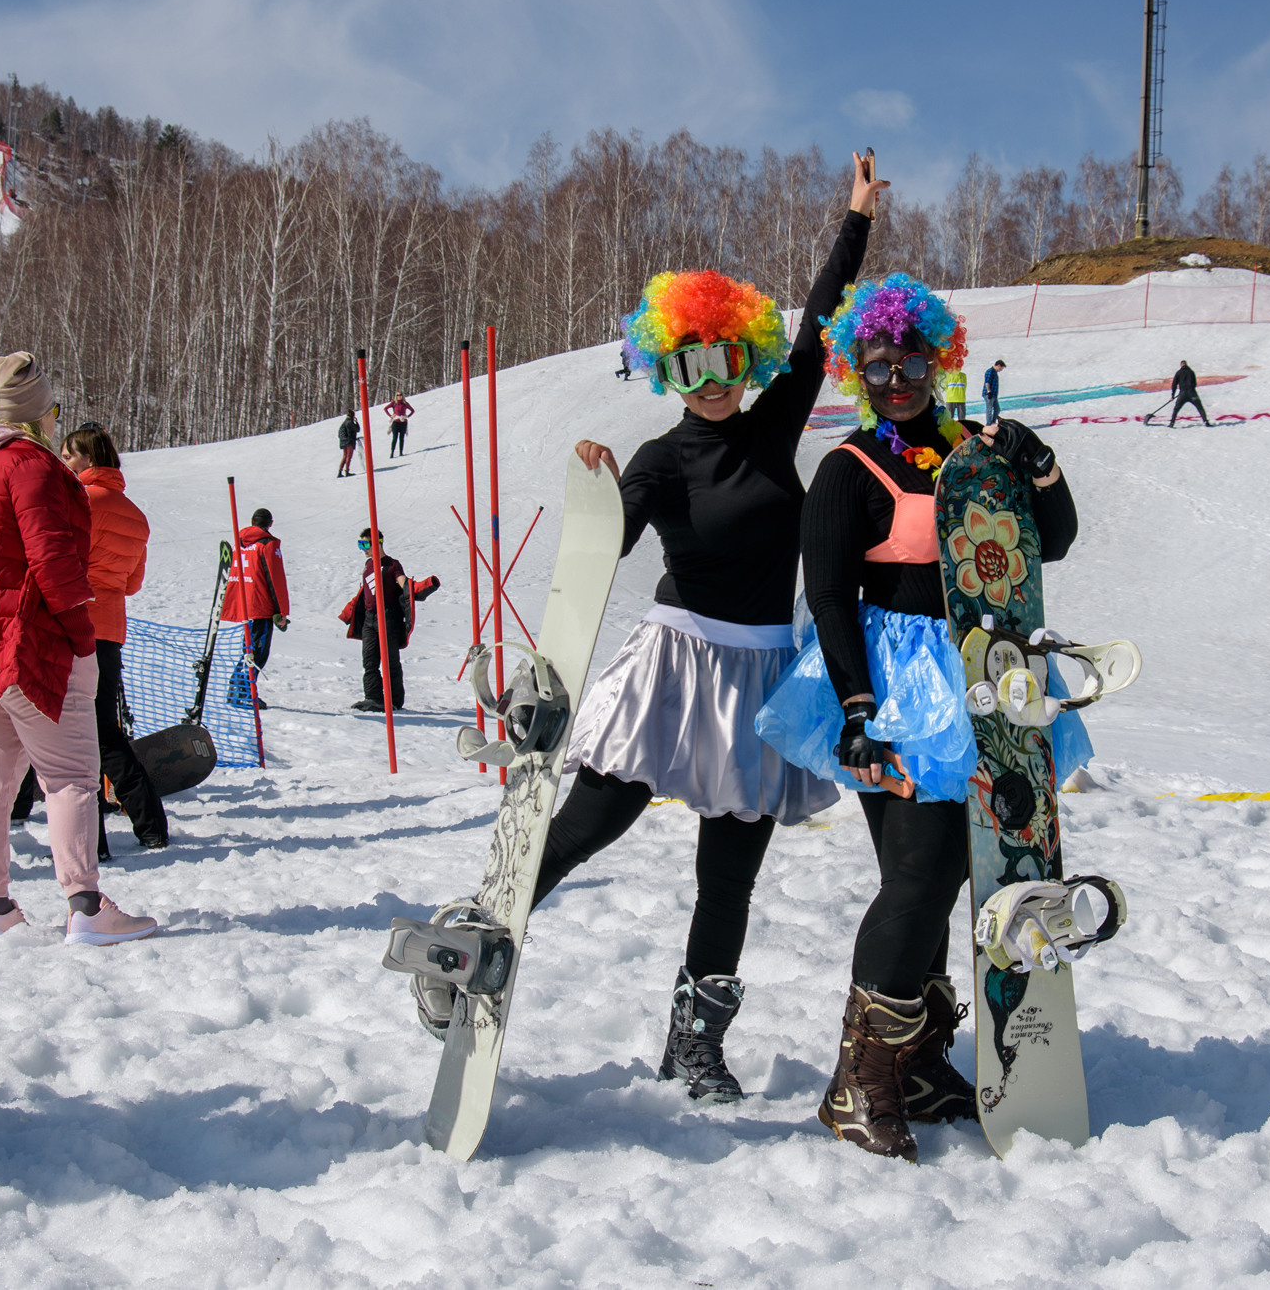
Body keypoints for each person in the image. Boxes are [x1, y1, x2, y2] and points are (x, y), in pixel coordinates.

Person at [495, 152, 883, 1106]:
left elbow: (820, 323)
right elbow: (612, 540)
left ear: (747, 361)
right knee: (591, 823)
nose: (714, 380)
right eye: (691, 364)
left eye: (728, 361)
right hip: (675, 665)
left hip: (758, 678)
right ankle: (478, 937)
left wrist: (855, 223)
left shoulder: (773, 423)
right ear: (668, 367)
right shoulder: (662, 458)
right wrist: (596, 488)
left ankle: (695, 1044)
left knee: (730, 877)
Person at [756, 275, 1086, 1160]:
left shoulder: (975, 454)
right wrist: (857, 710)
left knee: (956, 873)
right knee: (918, 872)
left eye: (910, 360)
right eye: (876, 365)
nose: (895, 377)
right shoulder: (847, 468)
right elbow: (826, 595)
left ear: (938, 357)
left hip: (982, 678)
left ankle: (922, 1062)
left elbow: (1049, 539)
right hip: (894, 693)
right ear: (855, 371)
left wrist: (1037, 463)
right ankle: (859, 1082)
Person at [0, 353, 157, 945]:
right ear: (38, 415)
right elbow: (54, 564)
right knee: (72, 777)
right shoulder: (35, 469)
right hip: (32, 645)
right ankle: (85, 905)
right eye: (51, 410)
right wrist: (80, 637)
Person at [60, 425, 169, 856]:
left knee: (70, 732)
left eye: (69, 455)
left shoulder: (78, 500)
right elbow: (133, 582)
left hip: (71, 624)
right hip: (109, 629)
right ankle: (150, 824)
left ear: (86, 459)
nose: (64, 462)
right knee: (105, 729)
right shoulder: (135, 513)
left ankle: (89, 839)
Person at [341, 529, 438, 712]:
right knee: (369, 661)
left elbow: (405, 585)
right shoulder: (368, 565)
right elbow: (365, 593)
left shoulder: (393, 565)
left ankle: (394, 700)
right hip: (370, 619)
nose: (363, 549)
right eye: (360, 544)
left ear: (378, 543)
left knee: (390, 660)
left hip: (388, 618)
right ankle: (373, 698)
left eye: (365, 544)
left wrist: (425, 586)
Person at [222, 506, 291, 707]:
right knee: (257, 652)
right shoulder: (267, 544)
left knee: (249, 649)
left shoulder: (238, 543)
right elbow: (274, 578)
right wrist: (281, 611)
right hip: (261, 605)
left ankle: (238, 690)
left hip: (242, 603)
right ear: (270, 524)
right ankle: (241, 692)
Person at [1168, 360, 1211, 427]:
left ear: (1181, 365)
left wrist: (1172, 395)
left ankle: (1172, 423)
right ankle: (1206, 422)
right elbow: (1194, 383)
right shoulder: (1191, 372)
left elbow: (1174, 384)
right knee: (1200, 408)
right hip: (1192, 393)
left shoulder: (1178, 373)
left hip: (1182, 394)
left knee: (1176, 409)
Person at [385, 393, 414, 457]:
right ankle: (392, 453)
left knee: (401, 438)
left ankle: (401, 452)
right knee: (394, 438)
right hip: (395, 422)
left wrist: (407, 416)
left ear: (402, 396)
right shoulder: (394, 403)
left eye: (400, 395)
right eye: (397, 395)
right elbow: (385, 408)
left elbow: (412, 410)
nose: (399, 396)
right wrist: (391, 416)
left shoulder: (405, 403)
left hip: (403, 422)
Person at [981, 358, 1006, 427]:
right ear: (998, 365)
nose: (1001, 370)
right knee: (989, 410)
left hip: (994, 395)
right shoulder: (990, 371)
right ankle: (989, 424)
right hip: (989, 394)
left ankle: (993, 422)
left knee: (997, 409)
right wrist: (989, 392)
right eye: (1001, 368)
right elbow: (987, 382)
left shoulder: (995, 372)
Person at [337, 409, 359, 477]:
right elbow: (357, 429)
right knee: (349, 456)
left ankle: (340, 472)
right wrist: (356, 422)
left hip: (343, 441)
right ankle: (347, 471)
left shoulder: (344, 422)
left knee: (345, 456)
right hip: (348, 442)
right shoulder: (349, 423)